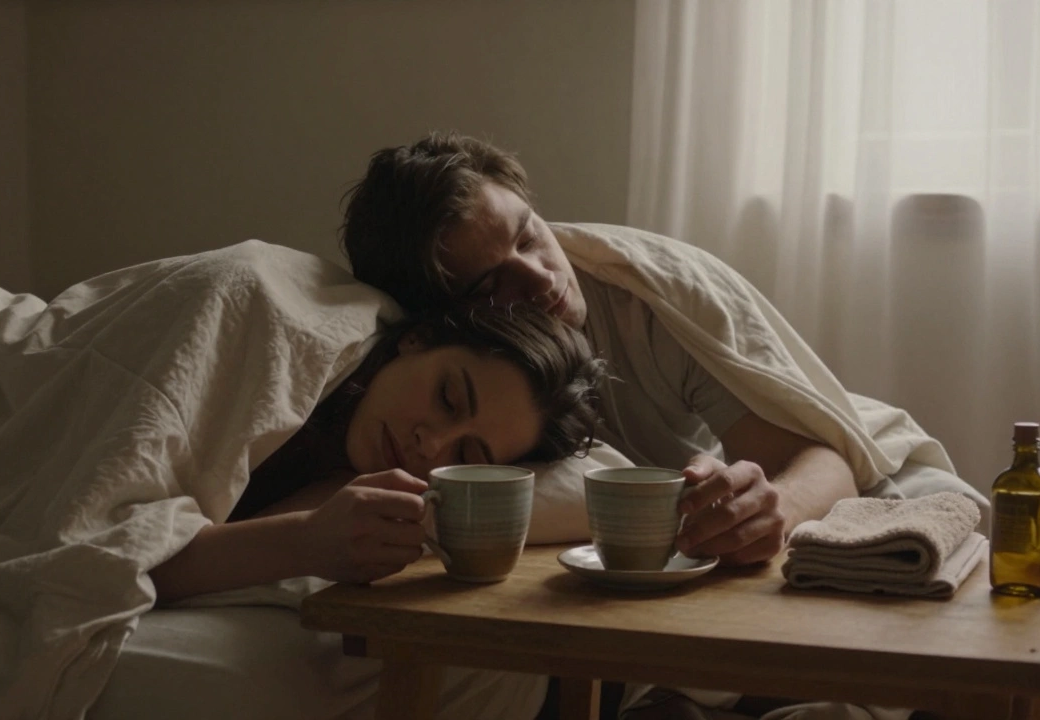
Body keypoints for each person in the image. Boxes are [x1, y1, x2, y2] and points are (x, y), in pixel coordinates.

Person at [339, 132, 858, 568]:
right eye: (487, 289)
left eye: (527, 238)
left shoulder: (651, 300)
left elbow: (826, 462)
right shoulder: (413, 389)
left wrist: (777, 508)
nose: (542, 280)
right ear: (439, 325)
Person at [150, 302, 604, 603]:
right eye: (447, 398)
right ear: (418, 339)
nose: (431, 444)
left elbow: (607, 476)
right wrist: (302, 541)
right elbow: (111, 553)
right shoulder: (282, 339)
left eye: (466, 453)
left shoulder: (348, 478)